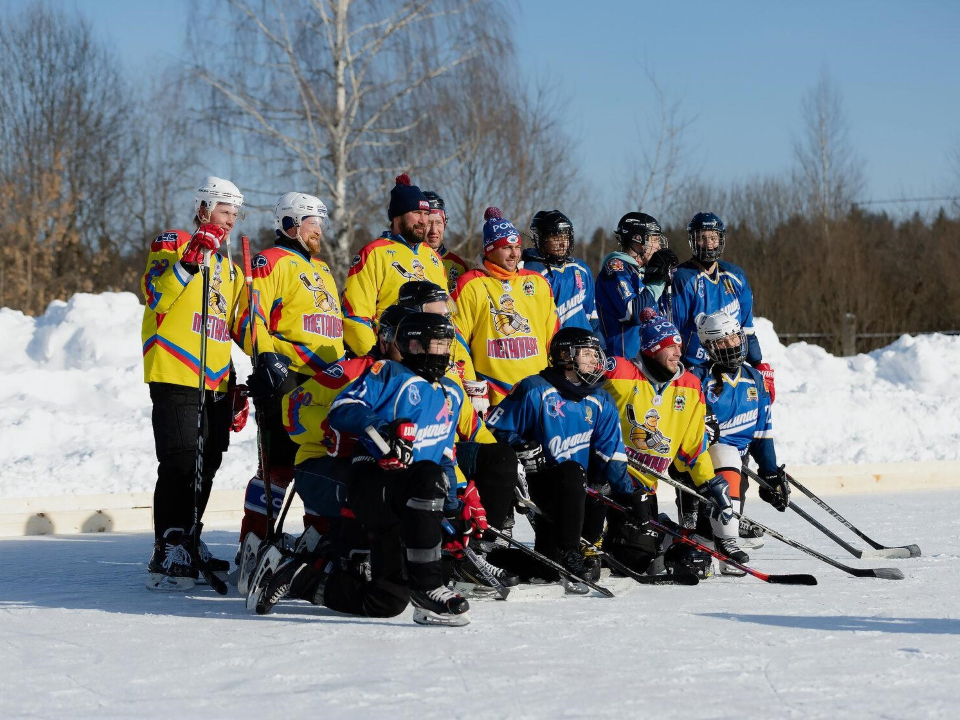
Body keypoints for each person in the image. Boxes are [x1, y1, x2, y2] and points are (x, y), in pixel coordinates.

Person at [255, 313, 476, 626]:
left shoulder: (450, 393)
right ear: (414, 344)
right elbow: (343, 408)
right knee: (428, 477)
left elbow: (444, 457)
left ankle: (296, 576)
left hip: (405, 497)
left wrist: (454, 510)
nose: (443, 353)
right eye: (437, 345)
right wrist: (382, 432)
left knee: (387, 599)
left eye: (446, 345)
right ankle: (428, 588)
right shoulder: (387, 373)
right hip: (373, 482)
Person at [140, 176, 249, 590]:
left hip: (217, 378)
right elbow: (156, 293)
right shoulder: (172, 242)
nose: (230, 221)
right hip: (176, 370)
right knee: (181, 461)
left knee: (208, 465)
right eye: (224, 211)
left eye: (235, 214)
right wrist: (189, 259)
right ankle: (167, 544)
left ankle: (190, 535)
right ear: (203, 207)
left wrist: (256, 366)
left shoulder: (228, 266)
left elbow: (237, 327)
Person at [236, 192, 345, 562]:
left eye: (321, 224)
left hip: (325, 381)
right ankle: (254, 542)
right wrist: (267, 357)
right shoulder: (272, 261)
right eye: (314, 224)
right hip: (288, 375)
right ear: (291, 224)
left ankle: (319, 538)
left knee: (321, 462)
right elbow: (250, 317)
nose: (320, 231)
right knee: (279, 466)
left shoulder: (323, 269)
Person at [484, 328, 630, 592]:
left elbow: (612, 455)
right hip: (541, 485)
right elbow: (494, 429)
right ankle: (571, 552)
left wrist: (630, 496)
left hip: (578, 493)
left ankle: (494, 560)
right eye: (586, 354)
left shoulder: (601, 398)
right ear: (564, 356)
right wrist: (520, 445)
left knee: (548, 569)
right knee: (573, 472)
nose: (594, 361)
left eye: (595, 354)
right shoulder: (534, 388)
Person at [601, 309, 742, 575]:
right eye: (670, 347)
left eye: (679, 346)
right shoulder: (621, 372)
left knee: (636, 559)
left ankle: (664, 532)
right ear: (653, 349)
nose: (678, 353)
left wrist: (709, 483)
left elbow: (692, 448)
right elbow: (578, 386)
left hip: (645, 486)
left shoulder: (689, 385)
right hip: (610, 477)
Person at [687, 311, 790, 547]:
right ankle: (701, 540)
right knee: (705, 530)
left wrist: (770, 473)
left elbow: (762, 433)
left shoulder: (754, 378)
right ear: (708, 346)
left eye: (734, 338)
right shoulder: (698, 379)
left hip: (739, 467)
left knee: (722, 526)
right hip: (701, 467)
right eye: (722, 341)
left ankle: (722, 535)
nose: (731, 346)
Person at [451, 207, 560, 406]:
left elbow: (552, 334)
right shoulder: (469, 284)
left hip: (539, 391)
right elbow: (456, 339)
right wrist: (471, 384)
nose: (514, 254)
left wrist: (557, 376)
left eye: (517, 247)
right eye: (506, 248)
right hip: (495, 396)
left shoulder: (538, 282)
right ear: (490, 250)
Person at [671, 212, 776, 400]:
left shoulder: (736, 276)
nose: (709, 243)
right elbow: (674, 332)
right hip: (697, 370)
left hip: (731, 367)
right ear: (693, 241)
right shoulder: (682, 278)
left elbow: (747, 328)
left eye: (713, 237)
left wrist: (758, 364)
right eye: (702, 237)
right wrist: (679, 372)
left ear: (721, 239)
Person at [341, 174, 446, 357]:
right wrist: (376, 360)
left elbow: (446, 318)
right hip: (393, 358)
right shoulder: (374, 253)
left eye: (426, 213)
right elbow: (355, 318)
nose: (424, 220)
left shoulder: (434, 258)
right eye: (416, 213)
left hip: (432, 360)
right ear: (398, 216)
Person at [595, 212, 679, 358]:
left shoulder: (642, 272)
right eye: (654, 239)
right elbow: (633, 313)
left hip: (649, 362)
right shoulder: (616, 268)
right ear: (638, 239)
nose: (658, 246)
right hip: (625, 362)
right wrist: (657, 283)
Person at [522, 210, 600, 339]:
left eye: (566, 237)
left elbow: (592, 314)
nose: (563, 243)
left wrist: (597, 344)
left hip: (583, 348)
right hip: (550, 348)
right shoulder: (529, 272)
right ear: (540, 239)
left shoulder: (581, 269)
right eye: (556, 238)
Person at [421, 190, 469, 294]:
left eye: (438, 223)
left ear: (444, 225)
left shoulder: (459, 266)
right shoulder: (408, 259)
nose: (434, 230)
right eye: (428, 223)